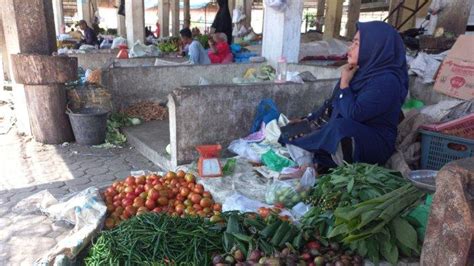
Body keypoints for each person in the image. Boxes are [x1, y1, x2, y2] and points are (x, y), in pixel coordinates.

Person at [280, 21, 408, 177]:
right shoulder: (358, 72)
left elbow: (354, 114)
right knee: (293, 130)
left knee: (340, 129)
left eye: (356, 44)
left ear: (374, 47)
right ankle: (309, 166)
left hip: (371, 143)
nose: (350, 48)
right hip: (345, 134)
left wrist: (345, 84)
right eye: (352, 43)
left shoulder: (387, 81)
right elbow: (332, 104)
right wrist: (308, 119)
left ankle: (332, 169)